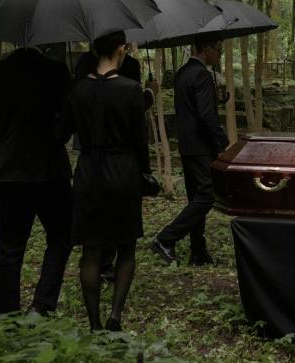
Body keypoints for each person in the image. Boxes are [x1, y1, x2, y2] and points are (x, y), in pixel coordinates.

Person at [61, 31, 151, 332]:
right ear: (120, 49)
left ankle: (95, 325)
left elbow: (62, 132)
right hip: (122, 171)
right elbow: (141, 141)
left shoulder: (78, 90)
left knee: (91, 250)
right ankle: (115, 316)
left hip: (88, 171)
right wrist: (144, 173)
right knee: (126, 247)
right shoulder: (130, 90)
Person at [0, 46, 73, 316]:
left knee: (9, 249)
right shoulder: (56, 71)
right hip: (50, 169)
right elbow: (66, 125)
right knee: (62, 237)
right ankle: (41, 305)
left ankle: (7, 313)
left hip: (9, 173)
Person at [73, 43, 158, 282]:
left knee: (110, 232)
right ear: (119, 48)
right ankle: (103, 265)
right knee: (108, 237)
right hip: (113, 157)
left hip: (99, 159)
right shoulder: (93, 71)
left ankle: (105, 262)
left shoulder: (127, 66)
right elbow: (134, 117)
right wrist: (149, 95)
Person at [151, 32, 229, 267]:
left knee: (196, 196)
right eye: (219, 50)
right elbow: (205, 116)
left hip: (187, 144)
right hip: (201, 146)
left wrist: (216, 99)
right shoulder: (202, 75)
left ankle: (198, 251)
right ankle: (166, 238)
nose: (220, 55)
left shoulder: (184, 73)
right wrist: (221, 141)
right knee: (206, 197)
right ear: (206, 49)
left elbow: (193, 108)